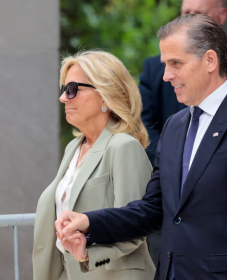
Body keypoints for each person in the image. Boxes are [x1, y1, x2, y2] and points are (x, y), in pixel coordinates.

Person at [55, 14, 227, 280]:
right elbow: (153, 209)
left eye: (176, 63)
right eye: (165, 64)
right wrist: (90, 222)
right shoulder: (175, 125)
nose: (166, 75)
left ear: (210, 60)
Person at [33, 51, 155, 280]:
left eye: (73, 89)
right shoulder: (73, 148)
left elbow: (136, 225)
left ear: (105, 96)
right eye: (63, 90)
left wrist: (87, 254)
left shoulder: (124, 147)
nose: (63, 98)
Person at [141, 0, 227, 166]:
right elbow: (145, 126)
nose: (191, 21)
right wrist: (171, 167)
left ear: (221, 15)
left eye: (199, 14)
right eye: (186, 13)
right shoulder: (154, 69)